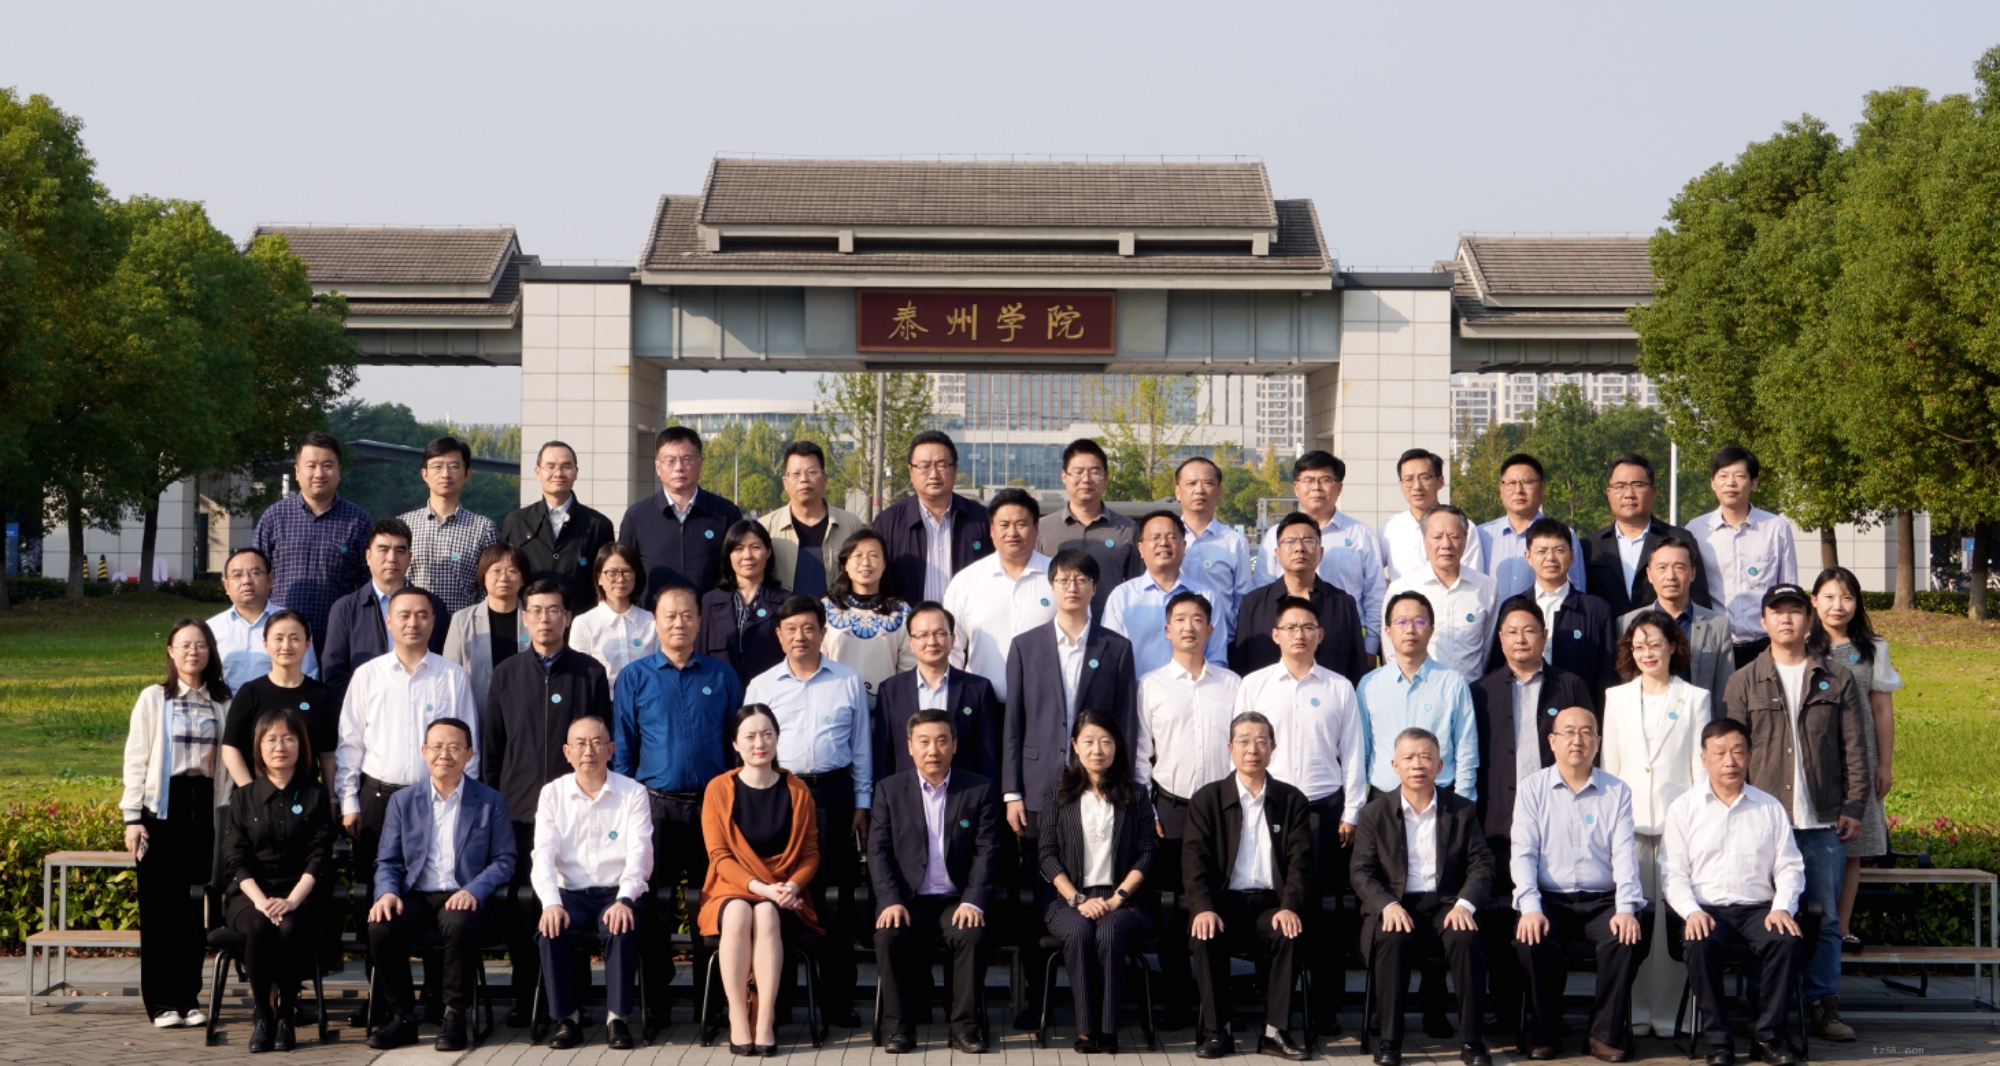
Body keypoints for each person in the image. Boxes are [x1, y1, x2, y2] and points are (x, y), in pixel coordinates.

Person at [1722, 583, 1868, 1044]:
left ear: (1808, 619)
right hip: (1763, 826)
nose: (1786, 619)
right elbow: (1732, 755)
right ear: (1763, 620)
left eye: (1795, 611)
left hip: (1822, 823)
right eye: (1777, 611)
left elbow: (1855, 749)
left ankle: (1824, 1004)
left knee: (1825, 920)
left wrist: (1854, 806)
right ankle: (1762, 1004)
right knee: (1762, 916)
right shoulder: (1743, 680)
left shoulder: (1836, 677)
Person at [610, 583, 742, 1026]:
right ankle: (656, 1000)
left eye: (687, 615)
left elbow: (736, 745)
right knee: (653, 908)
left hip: (712, 807)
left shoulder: (721, 675)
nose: (679, 623)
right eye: (670, 616)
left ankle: (712, 1001)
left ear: (699, 621)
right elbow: (624, 747)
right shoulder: (635, 677)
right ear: (656, 622)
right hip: (655, 808)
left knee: (715, 903)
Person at [482, 580, 612, 1026]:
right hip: (519, 812)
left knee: (570, 901)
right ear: (525, 618)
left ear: (568, 617)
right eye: (535, 610)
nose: (544, 619)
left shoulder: (590, 673)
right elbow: (493, 748)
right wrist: (494, 806)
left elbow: (603, 742)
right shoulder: (506, 674)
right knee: (524, 906)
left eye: (553, 610)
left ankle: (574, 999)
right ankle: (526, 997)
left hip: (577, 810)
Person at [1235, 593, 1366, 1033]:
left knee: (1323, 913)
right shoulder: (1254, 685)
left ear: (1321, 635)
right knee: (1273, 905)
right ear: (1275, 635)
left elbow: (1353, 753)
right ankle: (1274, 1005)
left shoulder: (1339, 687)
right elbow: (1238, 748)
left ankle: (1326, 1010)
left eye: (1308, 627)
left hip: (1324, 813)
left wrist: (1351, 811)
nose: (1299, 635)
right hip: (1267, 810)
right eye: (1290, 628)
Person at [1467, 595, 1597, 1036]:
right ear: (1500, 639)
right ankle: (1506, 1010)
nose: (1520, 639)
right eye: (1511, 632)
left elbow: (1586, 749)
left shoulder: (1570, 685)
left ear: (1544, 636)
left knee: (1550, 918)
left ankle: (1548, 1013)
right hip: (1499, 823)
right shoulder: (1481, 690)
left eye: (1529, 630)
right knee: (1503, 920)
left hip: (1558, 822)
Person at [742, 595, 873, 1023]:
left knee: (836, 897)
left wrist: (862, 802)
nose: (800, 636)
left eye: (808, 628)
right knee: (781, 891)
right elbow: (749, 749)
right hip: (780, 795)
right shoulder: (761, 686)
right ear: (779, 636)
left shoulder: (848, 680)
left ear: (822, 632)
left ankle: (838, 999)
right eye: (791, 629)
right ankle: (777, 1000)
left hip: (834, 795)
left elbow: (861, 747)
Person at [366, 718, 516, 1052]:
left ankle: (454, 1015)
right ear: (424, 751)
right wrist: (387, 892)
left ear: (469, 754)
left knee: (459, 922)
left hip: (464, 895)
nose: (444, 754)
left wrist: (474, 890)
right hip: (417, 894)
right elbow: (388, 860)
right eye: (436, 746)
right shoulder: (403, 801)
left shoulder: (490, 800)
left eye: (454, 747)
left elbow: (504, 860)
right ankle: (403, 1018)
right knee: (381, 926)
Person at [1663, 718, 1807, 1066]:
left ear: (1750, 757)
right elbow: (1673, 874)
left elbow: (1789, 866)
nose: (1730, 761)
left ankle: (1769, 1039)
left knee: (1786, 941)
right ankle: (1718, 1043)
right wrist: (1691, 911)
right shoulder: (1684, 808)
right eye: (1720, 753)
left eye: (1738, 752)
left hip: (1759, 909)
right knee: (1699, 944)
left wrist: (1782, 906)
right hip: (1707, 910)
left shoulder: (1769, 807)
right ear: (1704, 759)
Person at [1510, 708, 1649, 1062]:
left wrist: (1625, 908)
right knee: (1529, 940)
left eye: (1586, 732)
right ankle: (1545, 1032)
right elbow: (1523, 854)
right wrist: (1530, 908)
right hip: (1549, 900)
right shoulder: (1532, 789)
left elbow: (1624, 856)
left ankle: (1603, 1034)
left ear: (1597, 742)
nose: (1577, 739)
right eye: (1568, 732)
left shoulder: (1617, 790)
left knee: (1626, 937)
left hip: (1602, 901)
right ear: (1552, 741)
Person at [1351, 727, 1496, 1066]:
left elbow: (1482, 863)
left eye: (1426, 757)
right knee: (1391, 938)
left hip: (1447, 904)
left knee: (1466, 938)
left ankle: (1472, 1042)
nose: (1417, 764)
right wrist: (1387, 905)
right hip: (1398, 903)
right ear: (1395, 765)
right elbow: (1361, 871)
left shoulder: (1462, 810)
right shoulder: (1374, 813)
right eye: (1409, 758)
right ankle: (1390, 1041)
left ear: (1440, 765)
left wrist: (1465, 904)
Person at [1600, 609, 1710, 1038]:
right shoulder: (1616, 698)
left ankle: (1671, 1015)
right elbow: (1609, 767)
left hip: (1677, 825)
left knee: (1673, 925)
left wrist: (1698, 823)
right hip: (1628, 827)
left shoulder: (1695, 698)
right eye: (1638, 646)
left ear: (1673, 647)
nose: (1647, 653)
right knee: (1633, 920)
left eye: (1655, 644)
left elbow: (1700, 769)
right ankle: (1636, 1010)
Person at [1183, 711, 1314, 1061]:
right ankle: (1217, 1030)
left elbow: (1301, 864)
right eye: (1243, 741)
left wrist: (1290, 906)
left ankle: (1275, 1032)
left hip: (1272, 904)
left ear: (1273, 747)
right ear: (1230, 748)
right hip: (1223, 903)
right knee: (1203, 934)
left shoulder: (1292, 800)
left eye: (1260, 741)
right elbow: (1194, 863)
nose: (1252, 749)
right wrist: (1202, 908)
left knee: (1289, 932)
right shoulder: (1207, 799)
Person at [121, 618, 231, 1030]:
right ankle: (162, 1002)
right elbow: (136, 759)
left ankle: (189, 998)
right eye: (184, 645)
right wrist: (133, 818)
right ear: (170, 651)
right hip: (161, 810)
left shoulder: (223, 701)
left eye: (200, 644)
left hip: (206, 809)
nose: (192, 652)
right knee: (160, 910)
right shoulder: (154, 698)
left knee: (194, 911)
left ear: (210, 651)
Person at [1132, 591, 1239, 1015]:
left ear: (1210, 630)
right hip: (1170, 809)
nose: (1189, 627)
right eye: (1180, 619)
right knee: (1171, 907)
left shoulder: (1232, 685)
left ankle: (1218, 1003)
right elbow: (1141, 756)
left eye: (1197, 619)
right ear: (1167, 629)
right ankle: (1176, 998)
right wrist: (1148, 810)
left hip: (1222, 809)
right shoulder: (1150, 685)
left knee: (1219, 898)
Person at [870, 709, 1000, 1054]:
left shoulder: (978, 789)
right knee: (888, 936)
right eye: (924, 742)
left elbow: (987, 851)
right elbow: (878, 851)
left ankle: (964, 1029)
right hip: (908, 901)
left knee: (972, 934)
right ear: (910, 746)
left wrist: (973, 900)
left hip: (956, 900)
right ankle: (900, 1030)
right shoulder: (889, 790)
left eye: (942, 741)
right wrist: (890, 900)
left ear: (954, 745)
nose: (933, 750)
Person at [698, 705, 824, 1054]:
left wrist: (792, 887)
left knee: (767, 913)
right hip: (730, 887)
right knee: (739, 912)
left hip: (784, 891)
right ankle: (738, 1017)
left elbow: (810, 853)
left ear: (777, 738)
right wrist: (763, 888)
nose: (760, 743)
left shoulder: (797, 789)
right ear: (735, 743)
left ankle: (766, 1019)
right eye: (750, 736)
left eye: (767, 734)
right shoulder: (718, 789)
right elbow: (720, 856)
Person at [335, 587, 479, 876]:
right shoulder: (368, 675)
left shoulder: (454, 676)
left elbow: (469, 747)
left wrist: (466, 800)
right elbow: (350, 744)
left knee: (434, 884)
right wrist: (349, 801)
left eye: (422, 615)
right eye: (404, 615)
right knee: (375, 886)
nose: (413, 623)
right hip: (379, 800)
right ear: (389, 621)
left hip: (439, 799)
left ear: (433, 622)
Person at [531, 715, 653, 1050]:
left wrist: (625, 899)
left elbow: (640, 853)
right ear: (567, 752)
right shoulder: (552, 794)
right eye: (581, 744)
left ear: (610, 750)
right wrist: (550, 903)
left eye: (597, 742)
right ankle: (567, 1018)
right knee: (550, 930)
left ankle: (617, 1019)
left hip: (617, 891)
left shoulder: (633, 793)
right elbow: (542, 853)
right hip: (570, 893)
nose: (589, 751)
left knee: (621, 926)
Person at [220, 707, 336, 1053]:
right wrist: (260, 900)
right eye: (271, 739)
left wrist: (292, 900)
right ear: (259, 747)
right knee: (259, 924)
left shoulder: (315, 795)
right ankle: (263, 1016)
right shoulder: (243, 797)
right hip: (251, 895)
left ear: (301, 746)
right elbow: (235, 859)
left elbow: (320, 856)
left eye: (289, 739)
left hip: (302, 894)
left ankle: (286, 1015)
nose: (280, 747)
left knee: (288, 924)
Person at [1003, 549, 1138, 847]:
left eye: (1081, 580)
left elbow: (1125, 720)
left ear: (1095, 587)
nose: (1072, 587)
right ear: (1052, 586)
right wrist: (1012, 791)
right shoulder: (1025, 646)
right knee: (1041, 866)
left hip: (1099, 779)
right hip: (1039, 779)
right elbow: (1014, 722)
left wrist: (1123, 781)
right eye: (1063, 580)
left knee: (1094, 863)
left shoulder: (1116, 648)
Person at [1038, 710, 1154, 1054]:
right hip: (1068, 898)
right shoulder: (1058, 794)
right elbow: (1046, 854)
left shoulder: (1136, 795)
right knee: (1078, 931)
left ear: (1117, 746)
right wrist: (1077, 899)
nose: (1097, 750)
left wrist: (1117, 899)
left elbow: (1146, 853)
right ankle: (1086, 1030)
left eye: (1106, 741)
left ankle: (1109, 1029)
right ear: (1075, 745)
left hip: (1123, 899)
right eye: (1088, 741)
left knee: (1109, 932)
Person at [1806, 567, 1901, 953]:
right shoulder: (1801, 645)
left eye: (1846, 597)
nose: (1838, 605)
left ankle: (1841, 928)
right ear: (1814, 601)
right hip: (1814, 758)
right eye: (1829, 597)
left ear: (1857, 602)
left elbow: (1882, 710)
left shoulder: (1873, 648)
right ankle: (1809, 927)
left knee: (1852, 848)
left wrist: (1884, 764)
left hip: (1861, 759)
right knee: (1810, 840)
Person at [1254, 452, 1386, 656]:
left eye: (1325, 480)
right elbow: (1263, 592)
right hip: (1289, 642)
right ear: (1296, 487)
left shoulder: (1360, 535)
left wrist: (1370, 647)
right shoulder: (1275, 535)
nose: (1316, 487)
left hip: (1343, 639)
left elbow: (1375, 595)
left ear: (1339, 487)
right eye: (1308, 480)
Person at [254, 431, 371, 654]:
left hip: (337, 640)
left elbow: (368, 585)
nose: (319, 473)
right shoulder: (274, 518)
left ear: (339, 471)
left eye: (327, 465)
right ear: (297, 471)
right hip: (282, 643)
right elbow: (256, 577)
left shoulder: (358, 521)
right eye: (311, 465)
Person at [1358, 591, 1479, 801]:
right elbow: (1361, 750)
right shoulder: (1370, 685)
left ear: (1432, 630)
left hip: (1440, 798)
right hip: (1383, 801)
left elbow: (1466, 749)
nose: (1410, 630)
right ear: (1388, 631)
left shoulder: (1453, 683)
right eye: (1401, 622)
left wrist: (1463, 803)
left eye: (1419, 622)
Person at [1685, 447, 1798, 668]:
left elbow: (1788, 589)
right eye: (1723, 476)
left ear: (1754, 483)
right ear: (1713, 483)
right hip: (1712, 647)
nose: (1731, 483)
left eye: (1739, 476)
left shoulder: (1776, 528)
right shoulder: (1695, 530)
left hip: (1765, 647)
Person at [941, 487, 1054, 708]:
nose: (1012, 532)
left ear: (1036, 527)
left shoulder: (1059, 577)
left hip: (1044, 706)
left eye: (1021, 524)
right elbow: (952, 649)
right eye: (1004, 525)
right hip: (981, 706)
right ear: (992, 530)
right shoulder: (966, 581)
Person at [1232, 511, 1369, 686]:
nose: (1299, 548)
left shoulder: (1343, 604)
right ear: (1277, 554)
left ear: (1321, 552)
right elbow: (1241, 666)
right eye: (1290, 541)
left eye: (1308, 540)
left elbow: (1356, 667)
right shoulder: (1253, 604)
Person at [321, 518, 449, 702]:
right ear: (368, 556)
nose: (392, 558)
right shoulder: (346, 609)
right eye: (383, 550)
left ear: (409, 558)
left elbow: (443, 660)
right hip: (366, 709)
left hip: (424, 704)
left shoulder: (433, 605)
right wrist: (361, 709)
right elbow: (334, 673)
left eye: (400, 551)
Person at [876, 601, 1001, 782]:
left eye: (940, 633)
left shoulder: (978, 689)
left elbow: (989, 756)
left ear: (953, 639)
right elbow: (883, 757)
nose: (932, 642)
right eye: (922, 635)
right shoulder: (890, 691)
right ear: (911, 643)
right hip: (907, 794)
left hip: (964, 793)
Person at [1580, 454, 1713, 619]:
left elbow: (1699, 599)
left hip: (1666, 633)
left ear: (1653, 491)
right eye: (1620, 486)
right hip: (1607, 634)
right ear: (1609, 493)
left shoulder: (1679, 539)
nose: (1629, 494)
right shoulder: (1589, 546)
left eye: (1638, 485)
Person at [620, 425, 744, 599]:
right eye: (670, 461)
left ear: (700, 463)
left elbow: (740, 572)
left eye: (686, 459)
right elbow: (624, 573)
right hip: (653, 615)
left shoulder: (726, 513)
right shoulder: (637, 517)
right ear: (658, 467)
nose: (678, 467)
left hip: (712, 615)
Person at [1103, 510, 1229, 678]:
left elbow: (1216, 659)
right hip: (1137, 692)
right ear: (1141, 549)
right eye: (1155, 537)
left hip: (1193, 691)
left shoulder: (1207, 597)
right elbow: (1110, 656)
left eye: (1172, 537)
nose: (1163, 543)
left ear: (1184, 546)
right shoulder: (1122, 597)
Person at [1615, 533, 1735, 707]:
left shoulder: (1717, 625)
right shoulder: (1627, 623)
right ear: (1649, 574)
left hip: (1699, 717)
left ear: (1693, 573)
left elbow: (1724, 690)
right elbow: (1625, 681)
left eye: (1679, 567)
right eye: (1662, 568)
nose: (1670, 576)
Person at [874, 429, 994, 605]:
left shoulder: (982, 519)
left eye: (942, 465)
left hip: (968, 621)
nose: (934, 474)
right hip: (908, 622)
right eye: (924, 466)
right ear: (911, 471)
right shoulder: (888, 523)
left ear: (955, 469)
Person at [223, 610, 338, 789]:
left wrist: (332, 798)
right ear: (266, 644)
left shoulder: (322, 695)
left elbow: (328, 755)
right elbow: (230, 748)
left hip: (307, 797)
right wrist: (250, 793)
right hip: (257, 795)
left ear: (307, 644)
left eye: (294, 638)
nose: (286, 646)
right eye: (278, 638)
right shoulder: (250, 692)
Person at [1385, 504, 1498, 685]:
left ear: (1465, 540)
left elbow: (1487, 649)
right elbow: (1392, 652)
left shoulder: (1486, 588)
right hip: (1420, 691)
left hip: (1471, 691)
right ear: (1424, 540)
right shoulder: (1402, 589)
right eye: (1437, 537)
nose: (1446, 545)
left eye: (1454, 536)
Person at [501, 440, 615, 615]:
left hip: (580, 625)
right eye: (550, 466)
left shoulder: (599, 525)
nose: (558, 473)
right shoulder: (516, 522)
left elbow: (607, 583)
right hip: (528, 624)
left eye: (566, 467)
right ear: (537, 472)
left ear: (576, 472)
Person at [1515, 517, 1619, 706]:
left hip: (1578, 713)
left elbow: (1607, 676)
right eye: (1541, 551)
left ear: (1572, 555)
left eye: (1559, 550)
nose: (1550, 558)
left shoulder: (1596, 610)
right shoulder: (1514, 608)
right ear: (1528, 557)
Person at [1037, 439, 1140, 615]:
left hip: (1110, 626)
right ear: (1064, 476)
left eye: (1094, 472)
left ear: (1106, 477)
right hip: (1056, 627)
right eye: (1078, 472)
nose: (1086, 479)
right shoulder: (1042, 529)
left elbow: (1136, 586)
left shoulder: (1127, 529)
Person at [399, 435, 498, 616]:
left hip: (462, 628)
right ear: (424, 474)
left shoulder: (483, 529)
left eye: (454, 466)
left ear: (467, 473)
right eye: (437, 466)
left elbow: (490, 591)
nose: (445, 474)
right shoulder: (404, 525)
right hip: (413, 627)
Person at [820, 529, 917, 704]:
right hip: (835, 706)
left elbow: (908, 670)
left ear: (884, 564)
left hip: (887, 708)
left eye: (873, 556)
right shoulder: (826, 609)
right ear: (845, 564)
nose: (865, 563)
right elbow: (817, 663)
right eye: (857, 556)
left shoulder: (901, 613)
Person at [762, 440, 864, 600]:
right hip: (783, 615)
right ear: (785, 482)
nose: (804, 479)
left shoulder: (851, 525)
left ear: (824, 478)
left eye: (812, 472)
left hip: (837, 614)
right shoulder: (766, 527)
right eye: (795, 474)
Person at [208, 547, 320, 691]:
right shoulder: (212, 629)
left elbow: (308, 676)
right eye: (237, 575)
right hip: (225, 705)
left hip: (278, 704)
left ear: (270, 580)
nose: (246, 581)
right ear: (226, 586)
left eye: (255, 573)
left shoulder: (294, 625)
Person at [1477, 454, 1584, 602]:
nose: (1519, 490)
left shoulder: (1564, 535)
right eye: (1511, 483)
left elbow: (1577, 592)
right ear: (1501, 488)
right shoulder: (1481, 535)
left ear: (1542, 487)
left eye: (1527, 482)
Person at [441, 543, 530, 713]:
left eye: (512, 571)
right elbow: (450, 675)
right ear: (484, 576)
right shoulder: (462, 620)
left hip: (525, 713)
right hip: (477, 714)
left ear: (522, 579)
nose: (503, 577)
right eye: (496, 571)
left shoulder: (535, 618)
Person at [703, 520, 791, 688]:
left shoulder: (785, 602)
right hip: (720, 694)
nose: (747, 556)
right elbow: (700, 654)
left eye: (755, 547)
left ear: (768, 552)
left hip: (769, 694)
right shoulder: (710, 602)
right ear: (728, 555)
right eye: (738, 549)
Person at [1381, 450, 1485, 583]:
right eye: (1409, 479)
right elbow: (1371, 572)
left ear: (1440, 481)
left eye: (1425, 478)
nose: (1417, 486)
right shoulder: (1391, 527)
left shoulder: (1463, 526)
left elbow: (1473, 578)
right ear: (1401, 485)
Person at [568, 541, 658, 689]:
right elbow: (578, 676)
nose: (620, 579)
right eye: (612, 572)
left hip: (646, 700)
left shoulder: (652, 621)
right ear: (599, 577)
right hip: (601, 701)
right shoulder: (584, 623)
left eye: (627, 571)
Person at [1176, 456, 1256, 618]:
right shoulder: (1164, 541)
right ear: (1177, 492)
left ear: (1219, 491)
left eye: (1208, 483)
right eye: (1191, 483)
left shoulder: (1235, 542)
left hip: (1221, 633)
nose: (1199, 490)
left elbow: (1243, 601)